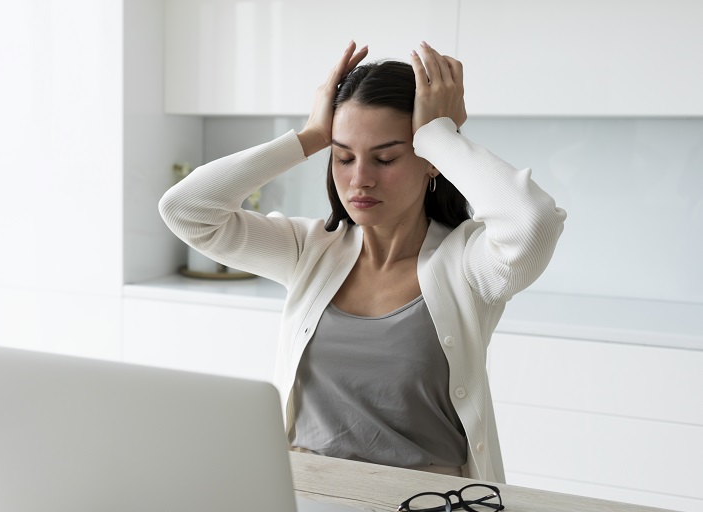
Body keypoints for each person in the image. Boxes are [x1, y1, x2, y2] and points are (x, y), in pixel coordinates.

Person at [159, 41, 566, 482]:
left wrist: (439, 136)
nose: (360, 179)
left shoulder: (467, 265)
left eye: (386, 157)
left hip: (427, 509)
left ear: (431, 163)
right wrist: (310, 137)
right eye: (343, 156)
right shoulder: (309, 250)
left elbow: (534, 221)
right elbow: (186, 209)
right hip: (304, 500)